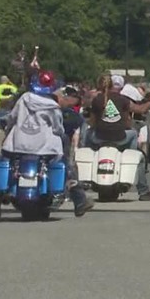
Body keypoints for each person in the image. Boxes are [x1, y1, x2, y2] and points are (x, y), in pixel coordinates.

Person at [0, 70, 66, 220]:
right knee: (56, 162)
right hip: (44, 147)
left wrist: (9, 129)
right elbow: (57, 128)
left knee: (6, 163)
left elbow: (12, 117)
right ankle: (65, 191)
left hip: (19, 143)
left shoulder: (24, 98)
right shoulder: (53, 106)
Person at [85, 75, 150, 202]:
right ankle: (143, 190)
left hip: (99, 138)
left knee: (87, 134)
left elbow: (92, 122)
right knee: (134, 139)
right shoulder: (123, 100)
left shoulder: (96, 100)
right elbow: (140, 110)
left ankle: (90, 157)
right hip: (120, 138)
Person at [56, 85, 94, 217]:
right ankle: (79, 201)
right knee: (67, 169)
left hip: (25, 147)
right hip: (51, 149)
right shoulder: (59, 112)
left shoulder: (24, 104)